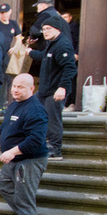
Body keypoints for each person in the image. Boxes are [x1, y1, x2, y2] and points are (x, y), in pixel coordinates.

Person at [0, 74, 49, 215]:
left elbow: (36, 140)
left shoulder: (35, 110)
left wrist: (12, 151)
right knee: (2, 184)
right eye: (14, 86)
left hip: (28, 161)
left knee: (25, 201)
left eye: (21, 87)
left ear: (32, 89)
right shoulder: (14, 104)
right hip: (15, 159)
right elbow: (7, 126)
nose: (15, 90)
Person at [29, 15, 77, 160]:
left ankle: (55, 149)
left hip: (55, 91)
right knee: (32, 110)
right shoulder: (52, 44)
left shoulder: (63, 45)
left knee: (53, 119)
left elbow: (70, 68)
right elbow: (45, 55)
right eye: (43, 29)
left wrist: (62, 88)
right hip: (44, 91)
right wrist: (30, 52)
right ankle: (38, 142)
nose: (45, 32)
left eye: (48, 29)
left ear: (58, 29)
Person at [0, 3, 22, 110]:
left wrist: (15, 47)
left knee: (9, 79)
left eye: (6, 12)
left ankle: (6, 103)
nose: (4, 15)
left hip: (7, 55)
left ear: (10, 12)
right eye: (1, 13)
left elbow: (19, 39)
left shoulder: (13, 24)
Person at [60, 12, 80, 111]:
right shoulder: (61, 28)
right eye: (62, 17)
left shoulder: (74, 27)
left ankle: (72, 103)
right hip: (63, 57)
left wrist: (76, 53)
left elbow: (78, 40)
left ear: (70, 17)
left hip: (72, 57)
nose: (64, 19)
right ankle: (65, 103)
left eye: (65, 17)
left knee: (71, 80)